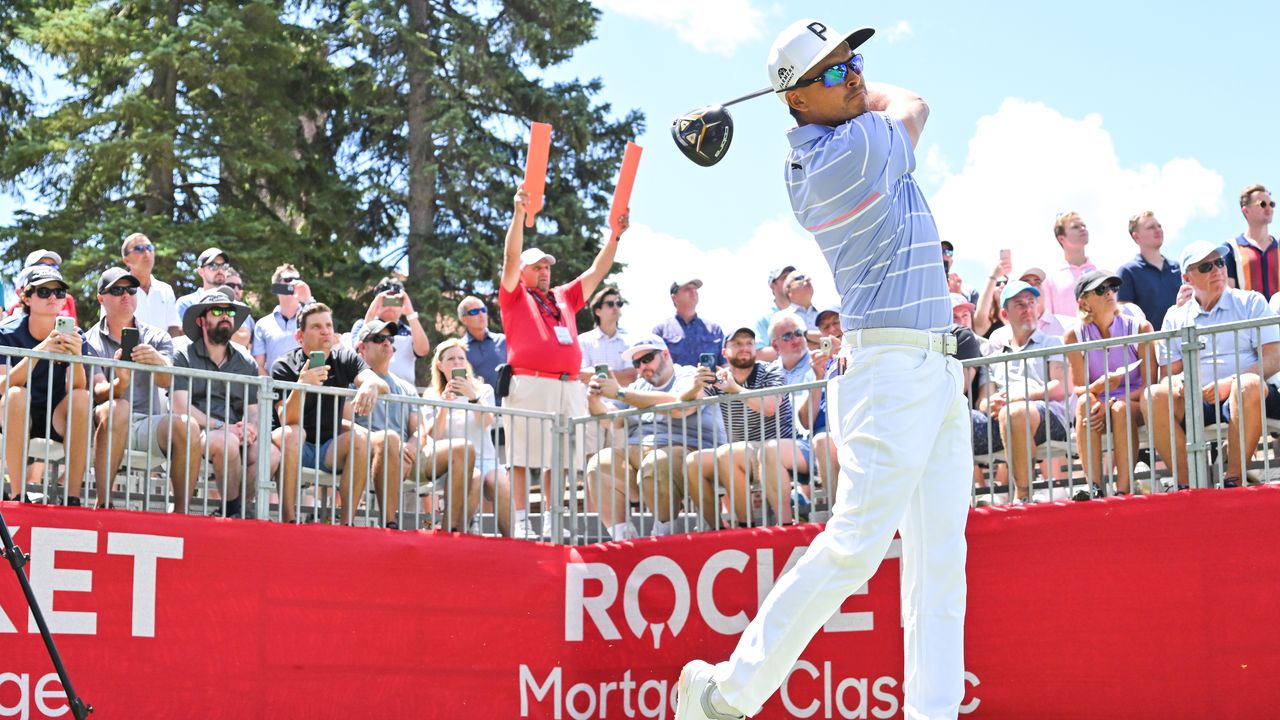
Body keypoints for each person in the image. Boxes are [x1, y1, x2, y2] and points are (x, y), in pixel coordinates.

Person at [676, 22, 971, 720]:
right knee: (854, 546)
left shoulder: (839, 131)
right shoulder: (846, 154)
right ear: (798, 102)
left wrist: (843, 80)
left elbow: (886, 102)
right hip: (891, 369)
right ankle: (724, 695)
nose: (857, 77)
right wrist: (864, 91)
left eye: (855, 61)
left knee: (941, 559)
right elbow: (918, 103)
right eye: (836, 72)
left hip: (932, 365)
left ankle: (933, 710)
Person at [498, 185, 627, 539]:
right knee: (522, 457)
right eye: (537, 266)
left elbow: (597, 272)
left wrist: (615, 236)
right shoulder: (514, 295)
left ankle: (555, 518)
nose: (544, 271)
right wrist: (518, 214)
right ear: (523, 272)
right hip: (529, 381)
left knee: (562, 457)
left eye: (546, 266)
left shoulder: (563, 297)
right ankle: (523, 521)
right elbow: (510, 260)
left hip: (568, 384)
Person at [1148, 241, 1279, 489]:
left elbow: (1273, 358)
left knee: (1247, 384)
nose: (1217, 269)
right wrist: (1176, 383)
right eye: (1206, 266)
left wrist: (1229, 384)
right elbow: (1167, 375)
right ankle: (1188, 486)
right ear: (1187, 278)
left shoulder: (1250, 302)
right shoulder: (1175, 316)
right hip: (1198, 399)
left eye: (1220, 262)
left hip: (1250, 395)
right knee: (1154, 395)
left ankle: (1233, 480)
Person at [84, 268, 201, 512]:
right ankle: (104, 504)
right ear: (101, 298)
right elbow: (97, 391)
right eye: (117, 290)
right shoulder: (89, 339)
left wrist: (158, 361)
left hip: (146, 423)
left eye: (131, 289)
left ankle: (181, 514)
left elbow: (166, 381)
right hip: (103, 425)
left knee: (187, 425)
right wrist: (121, 383)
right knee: (119, 406)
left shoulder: (157, 336)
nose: (126, 295)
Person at [586, 335, 725, 539]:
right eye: (636, 363)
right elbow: (611, 421)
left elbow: (678, 408)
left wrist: (621, 394)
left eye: (647, 358)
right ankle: (622, 537)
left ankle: (663, 531)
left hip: (687, 450)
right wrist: (593, 399)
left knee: (656, 463)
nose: (642, 366)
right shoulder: (637, 386)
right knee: (599, 463)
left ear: (666, 354)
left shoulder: (688, 374)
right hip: (639, 455)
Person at [272, 302, 390, 525]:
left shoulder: (344, 358)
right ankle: (288, 519)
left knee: (361, 438)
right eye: (317, 326)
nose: (326, 331)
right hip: (294, 446)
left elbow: (378, 382)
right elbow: (285, 419)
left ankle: (347, 523)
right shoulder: (284, 365)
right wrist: (301, 385)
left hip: (328, 448)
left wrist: (369, 385)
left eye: (328, 325)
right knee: (293, 434)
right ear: (300, 335)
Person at [171, 287, 277, 517]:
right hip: (195, 432)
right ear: (201, 321)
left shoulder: (246, 362)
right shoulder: (182, 356)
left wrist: (250, 429)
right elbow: (181, 406)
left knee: (271, 454)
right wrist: (223, 427)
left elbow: (254, 411)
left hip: (234, 433)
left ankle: (233, 511)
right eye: (217, 311)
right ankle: (232, 514)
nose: (226, 316)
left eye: (229, 312)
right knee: (227, 442)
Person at [686, 327, 807, 527]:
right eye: (737, 344)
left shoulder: (770, 370)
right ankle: (717, 529)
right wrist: (695, 387)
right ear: (724, 352)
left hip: (778, 448)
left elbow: (769, 407)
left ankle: (746, 527)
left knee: (727, 453)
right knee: (693, 462)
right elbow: (683, 406)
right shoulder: (718, 378)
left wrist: (735, 389)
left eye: (749, 343)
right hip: (741, 455)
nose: (745, 348)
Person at [0, 266, 91, 504]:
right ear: (27, 298)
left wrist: (77, 358)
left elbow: (78, 387)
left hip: (56, 417)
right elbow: (2, 386)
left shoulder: (75, 334)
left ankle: (72, 497)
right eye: (43, 291)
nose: (53, 297)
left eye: (59, 292)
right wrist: (39, 351)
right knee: (16, 394)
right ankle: (19, 495)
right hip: (16, 414)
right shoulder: (6, 333)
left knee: (82, 398)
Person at [972, 281, 1068, 501]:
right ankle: (955, 504)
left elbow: (1061, 387)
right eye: (1020, 304)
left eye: (1031, 302)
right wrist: (991, 403)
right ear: (1005, 314)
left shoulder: (1052, 342)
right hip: (1003, 417)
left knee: (1015, 413)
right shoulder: (994, 352)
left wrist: (1021, 397)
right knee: (955, 419)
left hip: (1048, 415)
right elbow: (983, 399)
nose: (1027, 308)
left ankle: (1021, 495)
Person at [1063, 271, 1155, 496]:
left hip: (1134, 404)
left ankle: (1123, 490)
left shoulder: (1140, 328)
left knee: (1119, 409)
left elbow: (1149, 385)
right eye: (1101, 290)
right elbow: (1078, 387)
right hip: (1099, 406)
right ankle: (1094, 487)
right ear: (1084, 302)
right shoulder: (1073, 336)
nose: (1110, 293)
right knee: (1085, 403)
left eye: (1112, 288)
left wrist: (1112, 399)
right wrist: (1099, 389)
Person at [349, 320, 435, 530]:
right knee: (390, 439)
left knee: (462, 450)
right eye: (379, 339)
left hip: (406, 455)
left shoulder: (406, 387)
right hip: (366, 451)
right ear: (362, 347)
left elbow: (419, 429)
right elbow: (343, 422)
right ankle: (389, 523)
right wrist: (393, 448)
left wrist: (412, 447)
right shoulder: (351, 382)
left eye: (390, 339)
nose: (387, 343)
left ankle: (454, 533)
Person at [422, 339, 508, 534]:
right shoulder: (432, 394)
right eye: (451, 359)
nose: (457, 363)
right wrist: (444, 405)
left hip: (485, 458)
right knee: (474, 477)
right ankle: (463, 529)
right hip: (453, 463)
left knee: (501, 483)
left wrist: (473, 396)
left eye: (461, 358)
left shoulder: (482, 390)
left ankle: (513, 540)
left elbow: (487, 421)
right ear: (440, 365)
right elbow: (434, 433)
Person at [349, 276, 430, 386]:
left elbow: (423, 350)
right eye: (386, 300)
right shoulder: (362, 324)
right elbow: (358, 348)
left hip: (403, 395)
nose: (390, 306)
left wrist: (410, 313)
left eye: (395, 301)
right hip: (370, 389)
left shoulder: (411, 331)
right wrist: (371, 313)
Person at [1116, 211, 1182, 329]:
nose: (1158, 230)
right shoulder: (1127, 272)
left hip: (1181, 342)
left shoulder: (1178, 268)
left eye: (1159, 226)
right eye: (1151, 227)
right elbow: (1123, 319)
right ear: (1136, 236)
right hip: (1148, 345)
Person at [253, 264, 313, 375]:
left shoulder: (310, 319)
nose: (294, 283)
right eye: (288, 279)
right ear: (276, 287)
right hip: (275, 389)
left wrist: (308, 300)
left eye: (297, 279)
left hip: (307, 387)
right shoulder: (263, 324)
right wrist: (271, 389)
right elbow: (259, 365)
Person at [653, 278, 725, 368]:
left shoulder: (714, 329)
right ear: (674, 297)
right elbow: (654, 367)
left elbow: (725, 364)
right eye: (687, 289)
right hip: (675, 382)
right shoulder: (660, 331)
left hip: (710, 382)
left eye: (695, 289)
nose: (693, 292)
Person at [121, 233, 181, 336]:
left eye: (149, 247)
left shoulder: (165, 290)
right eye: (139, 248)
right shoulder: (116, 290)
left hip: (162, 351)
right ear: (127, 260)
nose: (146, 252)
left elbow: (174, 327)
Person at [1041, 211, 1098, 318]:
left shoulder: (1100, 272)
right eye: (1075, 227)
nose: (1082, 229)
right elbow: (1048, 321)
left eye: (1083, 226)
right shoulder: (1050, 279)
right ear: (1061, 238)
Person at [1224, 184, 1277, 296]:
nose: (1269, 208)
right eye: (1262, 204)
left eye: (1271, 204)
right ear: (1246, 211)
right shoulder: (1231, 249)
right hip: (1248, 314)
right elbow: (1228, 295)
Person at [578, 286, 636, 386]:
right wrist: (616, 375)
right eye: (610, 304)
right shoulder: (582, 340)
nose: (615, 307)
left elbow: (630, 377)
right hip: (591, 400)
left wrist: (596, 373)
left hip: (621, 401)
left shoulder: (630, 342)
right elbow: (583, 376)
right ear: (597, 311)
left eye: (619, 304)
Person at [457, 295, 507, 394]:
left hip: (505, 406)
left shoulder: (503, 341)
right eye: (474, 312)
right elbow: (459, 382)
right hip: (476, 406)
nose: (481, 314)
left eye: (483, 310)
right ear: (463, 319)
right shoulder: (459, 349)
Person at [8, 250, 76, 320]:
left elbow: (74, 325)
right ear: (25, 298)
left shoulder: (67, 299)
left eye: (54, 266)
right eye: (43, 292)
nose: (53, 297)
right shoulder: (15, 310)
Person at [175, 247, 232, 319]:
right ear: (201, 271)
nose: (220, 270)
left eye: (224, 266)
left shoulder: (237, 305)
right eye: (213, 266)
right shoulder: (186, 304)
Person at [754, 265, 796, 361]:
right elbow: (758, 354)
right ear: (772, 286)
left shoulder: (808, 311)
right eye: (785, 277)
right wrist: (799, 346)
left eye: (792, 277)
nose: (790, 281)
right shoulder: (764, 318)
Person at [765, 311, 814, 387]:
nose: (796, 340)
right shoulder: (768, 374)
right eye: (787, 336)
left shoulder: (819, 364)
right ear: (775, 346)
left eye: (798, 333)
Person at [222, 268, 255, 351]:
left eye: (239, 287)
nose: (236, 290)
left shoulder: (246, 312)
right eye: (231, 286)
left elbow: (242, 340)